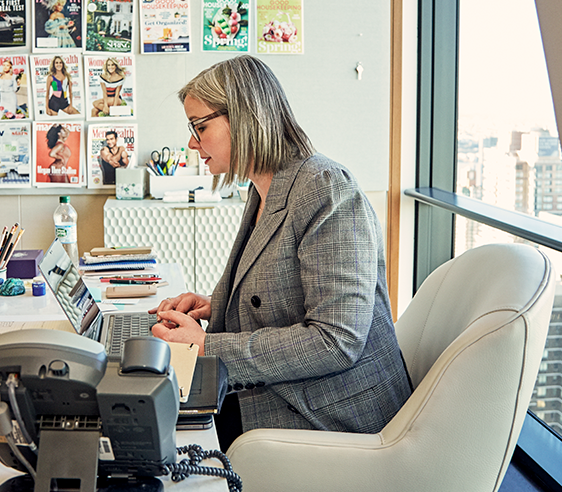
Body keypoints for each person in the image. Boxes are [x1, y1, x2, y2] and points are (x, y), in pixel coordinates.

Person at [149, 55, 411, 448]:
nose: (191, 142)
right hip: (287, 392)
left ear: (243, 118)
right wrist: (214, 307)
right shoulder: (261, 191)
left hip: (331, 417)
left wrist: (207, 346)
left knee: (161, 436)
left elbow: (336, 341)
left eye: (200, 126)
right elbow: (279, 293)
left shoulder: (326, 188)